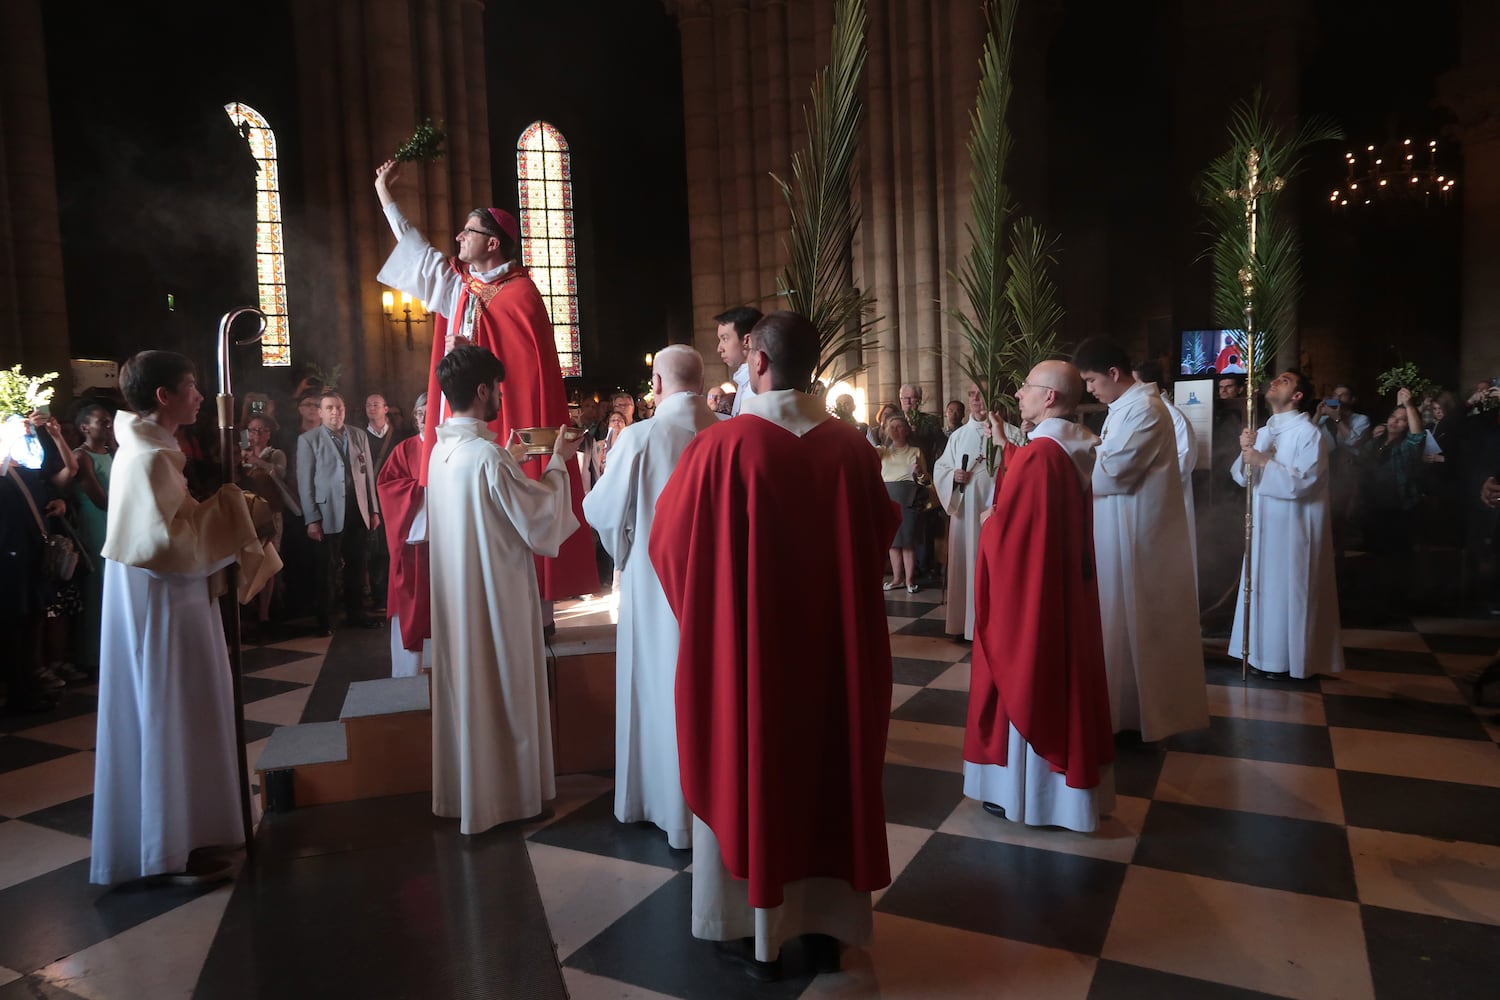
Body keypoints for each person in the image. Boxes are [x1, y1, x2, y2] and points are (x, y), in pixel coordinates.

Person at [649, 310, 899, 980]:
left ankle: (748, 932)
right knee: (828, 773)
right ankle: (826, 929)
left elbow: (668, 550)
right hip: (833, 663)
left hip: (748, 666)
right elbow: (879, 540)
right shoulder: (853, 450)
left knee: (750, 766)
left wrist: (718, 620)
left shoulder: (722, 449)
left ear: (757, 360)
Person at [374, 159, 597, 609]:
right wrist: (385, 195)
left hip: (503, 433)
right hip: (459, 436)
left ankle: (531, 601)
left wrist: (471, 344)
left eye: (468, 231)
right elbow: (416, 250)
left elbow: (523, 372)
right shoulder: (461, 285)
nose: (459, 238)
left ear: (493, 243)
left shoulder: (521, 294)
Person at [90, 350, 276, 886]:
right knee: (171, 706)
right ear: (163, 397)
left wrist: (222, 509)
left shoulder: (156, 450)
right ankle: (168, 847)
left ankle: (190, 833)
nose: (201, 395)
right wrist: (233, 509)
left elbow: (179, 526)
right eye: (191, 386)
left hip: (177, 597)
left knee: (189, 706)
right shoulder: (147, 459)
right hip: (163, 606)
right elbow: (167, 544)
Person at [427, 346, 582, 833]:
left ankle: (470, 796)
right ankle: (510, 800)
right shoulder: (486, 457)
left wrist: (512, 461)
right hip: (495, 601)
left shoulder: (441, 452)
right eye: (497, 388)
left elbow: (490, 503)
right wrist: (558, 463)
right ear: (481, 390)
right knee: (507, 691)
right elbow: (538, 521)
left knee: (471, 694)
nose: (500, 396)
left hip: (458, 601)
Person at [964, 361, 1115, 831]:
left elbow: (1014, 535)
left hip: (1033, 601)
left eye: (1026, 387)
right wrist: (1006, 448)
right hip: (1064, 594)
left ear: (1049, 397)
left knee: (1025, 672)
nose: (1020, 393)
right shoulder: (1068, 447)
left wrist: (991, 526)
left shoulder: (1042, 455)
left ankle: (1026, 797)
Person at [582, 346, 716, 850]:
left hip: (656, 581)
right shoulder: (729, 430)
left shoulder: (641, 436)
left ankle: (658, 803)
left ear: (657, 385)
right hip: (719, 584)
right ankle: (709, 806)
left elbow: (604, 511)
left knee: (657, 682)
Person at [1074, 337, 1207, 742]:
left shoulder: (1146, 410)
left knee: (1137, 623)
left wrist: (1069, 456)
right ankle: (1122, 712)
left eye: (1093, 380)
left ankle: (1142, 717)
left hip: (1137, 534)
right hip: (1118, 529)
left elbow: (1113, 472)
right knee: (1118, 622)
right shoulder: (1125, 407)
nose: (1090, 389)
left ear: (1114, 374)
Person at [1230, 370, 1343, 678]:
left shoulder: (1309, 434)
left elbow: (1303, 483)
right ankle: (1260, 656)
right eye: (1276, 378)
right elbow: (1241, 477)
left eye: (1286, 380)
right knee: (1263, 587)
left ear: (1297, 396)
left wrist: (1264, 461)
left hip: (1294, 527)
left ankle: (1289, 660)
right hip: (1265, 523)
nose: (1275, 381)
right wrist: (1246, 451)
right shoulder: (1265, 430)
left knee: (1289, 589)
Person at [934, 383, 1023, 639]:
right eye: (972, 394)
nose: (976, 400)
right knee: (969, 561)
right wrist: (953, 476)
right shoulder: (958, 436)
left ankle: (1000, 624)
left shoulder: (1012, 434)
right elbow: (941, 469)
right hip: (967, 513)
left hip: (1000, 512)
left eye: (982, 395)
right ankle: (967, 623)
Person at [297, 391, 382, 635]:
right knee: (326, 569)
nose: (335, 412)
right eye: (330, 408)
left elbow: (368, 476)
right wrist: (312, 519)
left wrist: (373, 510)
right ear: (321, 412)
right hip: (327, 512)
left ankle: (356, 614)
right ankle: (325, 619)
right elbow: (305, 483)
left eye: (339, 408)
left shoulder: (358, 435)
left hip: (357, 510)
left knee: (357, 566)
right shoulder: (309, 440)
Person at [377, 393, 432, 677]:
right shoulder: (404, 449)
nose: (423, 418)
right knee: (411, 611)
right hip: (414, 546)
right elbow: (387, 487)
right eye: (418, 413)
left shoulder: (451, 448)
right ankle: (408, 679)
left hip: (449, 549)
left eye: (429, 410)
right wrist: (423, 489)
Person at [1136, 359, 1199, 585]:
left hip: (1168, 502)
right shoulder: (1140, 413)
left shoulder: (1173, 416)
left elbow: (1184, 462)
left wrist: (1142, 470)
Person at [71, 403, 115, 673]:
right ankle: (91, 656)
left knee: (112, 588)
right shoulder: (81, 456)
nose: (108, 425)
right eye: (103, 421)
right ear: (85, 427)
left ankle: (111, 650)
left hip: (113, 522)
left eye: (110, 420)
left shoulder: (112, 453)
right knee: (98, 587)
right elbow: (100, 499)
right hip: (95, 522)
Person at [239, 413, 294, 628]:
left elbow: (279, 473)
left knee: (269, 559)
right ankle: (247, 604)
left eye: (261, 430)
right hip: (246, 513)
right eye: (253, 430)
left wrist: (257, 461)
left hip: (270, 511)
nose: (256, 434)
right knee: (247, 558)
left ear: (269, 433)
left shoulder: (275, 454)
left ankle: (264, 612)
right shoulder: (241, 452)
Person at [877, 412, 927, 594]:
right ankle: (897, 578)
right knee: (893, 541)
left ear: (906, 430)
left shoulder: (916, 451)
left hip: (908, 497)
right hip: (888, 497)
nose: (896, 430)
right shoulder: (882, 451)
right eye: (892, 427)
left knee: (907, 541)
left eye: (900, 427)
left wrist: (920, 472)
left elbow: (925, 480)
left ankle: (909, 579)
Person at [714, 306, 764, 416]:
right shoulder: (744, 379)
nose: (719, 348)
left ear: (747, 340)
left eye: (725, 338)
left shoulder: (758, 385)